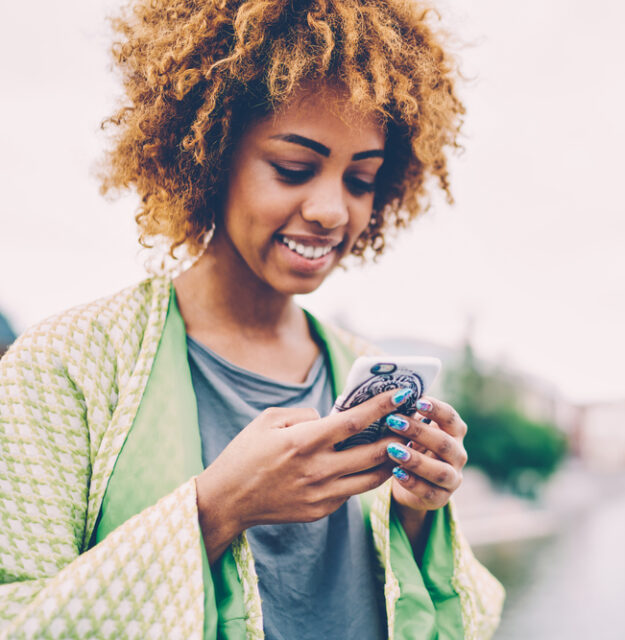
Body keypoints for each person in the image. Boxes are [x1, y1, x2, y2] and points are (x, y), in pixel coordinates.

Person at [0, 0, 504, 638]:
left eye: (362, 179)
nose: (331, 210)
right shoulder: (66, 365)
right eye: (294, 168)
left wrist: (415, 510)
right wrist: (218, 509)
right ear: (207, 153)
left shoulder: (365, 367)